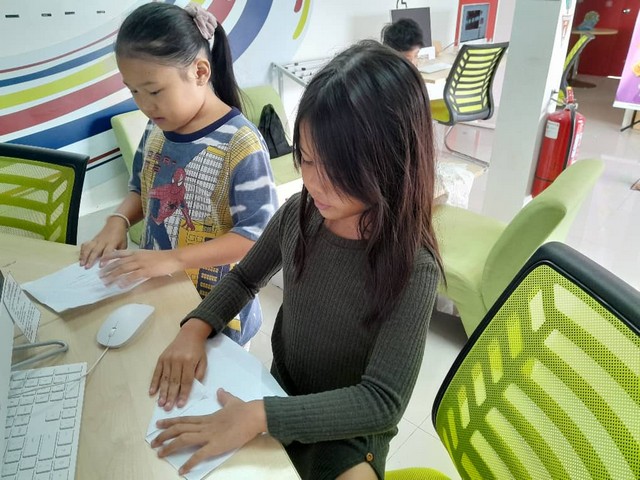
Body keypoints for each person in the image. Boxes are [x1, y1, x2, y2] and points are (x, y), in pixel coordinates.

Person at [148, 40, 443, 480]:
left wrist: (260, 416)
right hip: (278, 392)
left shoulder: (414, 267)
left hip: (345, 431)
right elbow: (245, 278)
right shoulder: (299, 214)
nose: (314, 184)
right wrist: (196, 326)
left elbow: (381, 401)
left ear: (392, 162)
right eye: (305, 159)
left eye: (337, 171)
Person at [79, 3, 278, 346]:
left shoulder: (240, 143)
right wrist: (118, 221)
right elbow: (141, 189)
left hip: (217, 313)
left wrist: (171, 259)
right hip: (160, 296)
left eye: (154, 90)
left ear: (200, 72)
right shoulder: (156, 128)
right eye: (134, 91)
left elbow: (256, 238)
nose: (144, 105)